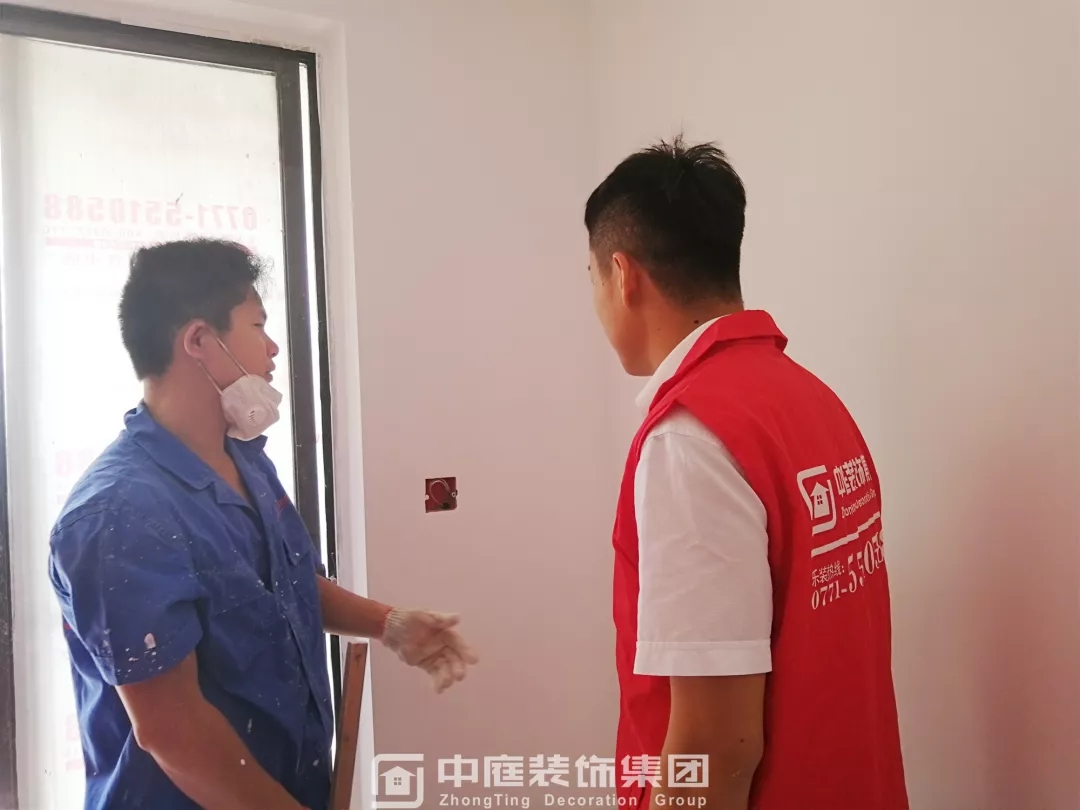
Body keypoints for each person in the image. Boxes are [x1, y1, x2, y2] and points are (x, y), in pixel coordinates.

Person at [48, 238, 478, 810]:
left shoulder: (243, 458)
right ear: (199, 341)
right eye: (258, 325)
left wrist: (387, 623)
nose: (273, 348)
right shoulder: (119, 515)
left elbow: (285, 585)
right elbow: (173, 731)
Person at [584, 138, 907, 810]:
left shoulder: (690, 440)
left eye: (591, 277)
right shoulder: (811, 400)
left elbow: (714, 748)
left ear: (623, 275)